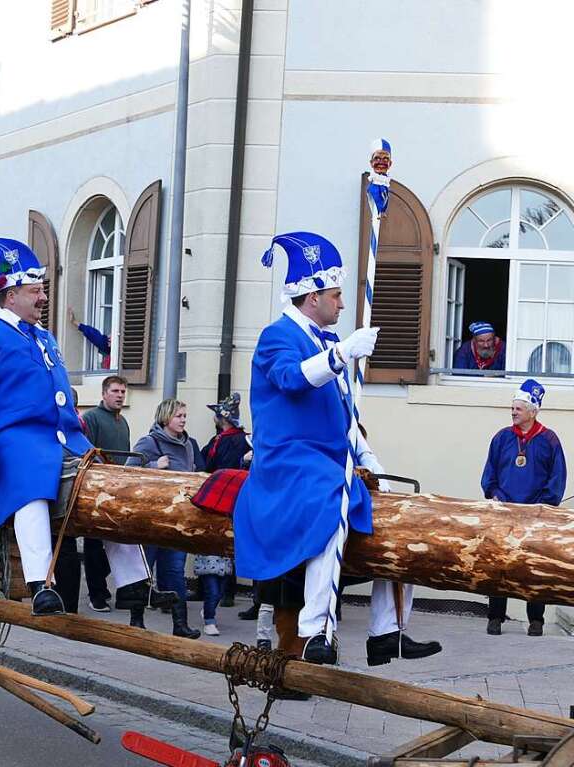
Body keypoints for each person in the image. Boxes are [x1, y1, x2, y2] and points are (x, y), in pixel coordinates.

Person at [235, 231, 442, 666]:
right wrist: (343, 354)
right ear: (312, 297)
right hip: (289, 461)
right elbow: (292, 379)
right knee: (334, 495)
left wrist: (371, 460)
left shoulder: (326, 341)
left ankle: (386, 630)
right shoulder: (277, 337)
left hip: (328, 460)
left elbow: (346, 417)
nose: (342, 304)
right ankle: (314, 630)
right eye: (335, 295)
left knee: (397, 515)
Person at [0, 237, 170, 617]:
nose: (43, 298)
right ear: (10, 295)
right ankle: (42, 583)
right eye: (35, 291)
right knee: (32, 488)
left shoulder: (43, 336)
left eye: (42, 290)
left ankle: (134, 582)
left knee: (108, 483)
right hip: (17, 436)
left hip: (65, 436)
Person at [481, 379, 566, 637]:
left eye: (518, 408)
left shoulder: (549, 440)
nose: (513, 412)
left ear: (533, 411)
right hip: (504, 512)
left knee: (533, 567)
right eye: (513, 408)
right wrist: (495, 495)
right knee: (499, 565)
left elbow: (557, 478)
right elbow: (489, 474)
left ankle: (536, 620)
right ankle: (495, 617)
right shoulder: (502, 438)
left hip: (535, 515)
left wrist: (544, 504)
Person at [126, 398, 205, 637]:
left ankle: (180, 625)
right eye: (179, 416)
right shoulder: (149, 442)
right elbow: (128, 472)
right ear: (166, 418)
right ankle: (136, 621)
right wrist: (153, 465)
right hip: (151, 520)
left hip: (177, 520)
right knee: (143, 570)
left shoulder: (189, 444)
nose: (183, 420)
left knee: (175, 573)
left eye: (184, 416)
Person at [195, 394, 249, 636]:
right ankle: (211, 610)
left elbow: (206, 465)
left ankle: (211, 610)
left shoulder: (228, 442)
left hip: (221, 504)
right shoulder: (239, 441)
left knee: (217, 562)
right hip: (229, 507)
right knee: (219, 562)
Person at [79, 375, 134, 613]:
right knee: (93, 546)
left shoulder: (123, 422)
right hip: (96, 490)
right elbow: (86, 453)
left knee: (118, 543)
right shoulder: (91, 418)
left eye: (123, 391)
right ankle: (97, 594)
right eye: (115, 391)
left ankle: (112, 589)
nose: (120, 395)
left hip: (118, 491)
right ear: (104, 394)